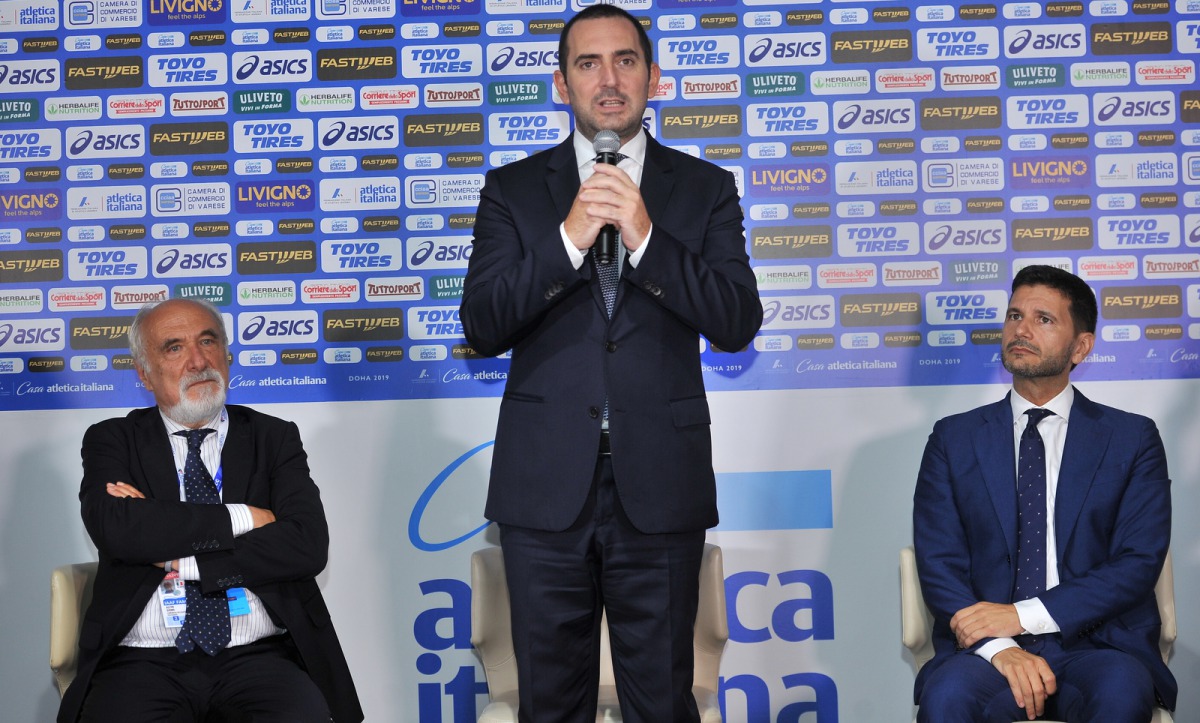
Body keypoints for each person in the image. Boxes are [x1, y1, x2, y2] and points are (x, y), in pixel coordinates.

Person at [459, 5, 762, 721]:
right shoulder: (513, 189)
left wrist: (647, 235)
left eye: (625, 60)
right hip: (544, 490)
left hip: (659, 484)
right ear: (561, 85)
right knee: (549, 703)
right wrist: (567, 240)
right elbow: (482, 324)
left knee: (661, 699)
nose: (609, 79)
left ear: (653, 77)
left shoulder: (703, 188)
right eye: (588, 64)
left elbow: (735, 321)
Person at [59, 298, 363, 723]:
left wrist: (177, 553)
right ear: (144, 374)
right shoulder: (114, 440)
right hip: (141, 661)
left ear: (227, 354)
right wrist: (246, 517)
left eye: (208, 341)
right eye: (174, 348)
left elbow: (306, 545)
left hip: (259, 655)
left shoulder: (273, 437)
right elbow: (119, 530)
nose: (198, 361)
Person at [912, 265, 1175, 722]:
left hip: (1098, 645)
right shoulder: (953, 439)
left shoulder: (1131, 438)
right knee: (947, 699)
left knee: (1121, 692)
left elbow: (1137, 562)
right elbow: (938, 562)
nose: (1021, 329)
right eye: (1015, 316)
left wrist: (1022, 615)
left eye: (1044, 319)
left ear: (1082, 346)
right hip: (987, 653)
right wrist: (999, 646)